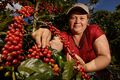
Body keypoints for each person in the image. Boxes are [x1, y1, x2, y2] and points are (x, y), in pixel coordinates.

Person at [32, 3, 111, 79]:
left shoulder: (93, 30)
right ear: (68, 21)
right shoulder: (64, 35)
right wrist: (46, 42)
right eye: (73, 17)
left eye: (82, 18)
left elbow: (105, 56)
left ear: (87, 21)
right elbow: (56, 44)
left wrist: (85, 67)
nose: (77, 21)